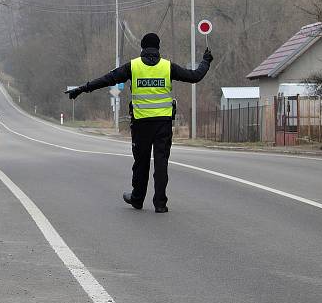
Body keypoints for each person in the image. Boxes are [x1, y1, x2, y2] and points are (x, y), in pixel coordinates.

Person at [65, 33, 212, 213]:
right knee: (161, 163)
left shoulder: (133, 66)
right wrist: (206, 60)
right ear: (158, 48)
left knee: (141, 162)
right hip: (163, 124)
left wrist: (81, 89)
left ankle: (137, 199)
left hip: (141, 124)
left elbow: (106, 79)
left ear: (142, 48)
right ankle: (160, 204)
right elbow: (195, 76)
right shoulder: (168, 67)